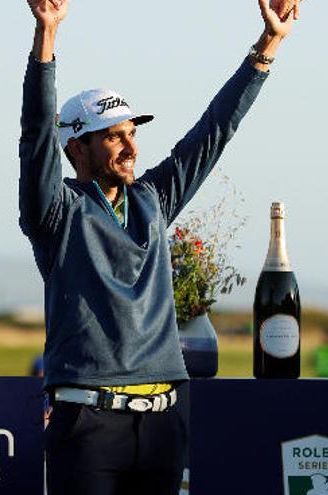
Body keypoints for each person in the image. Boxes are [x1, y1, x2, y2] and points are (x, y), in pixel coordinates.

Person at [19, 1, 300, 493]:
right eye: (113, 137)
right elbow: (37, 135)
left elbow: (213, 132)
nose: (131, 147)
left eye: (132, 133)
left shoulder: (152, 198)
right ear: (77, 148)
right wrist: (47, 36)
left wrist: (267, 46)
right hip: (87, 424)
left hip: (162, 426)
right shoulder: (56, 213)